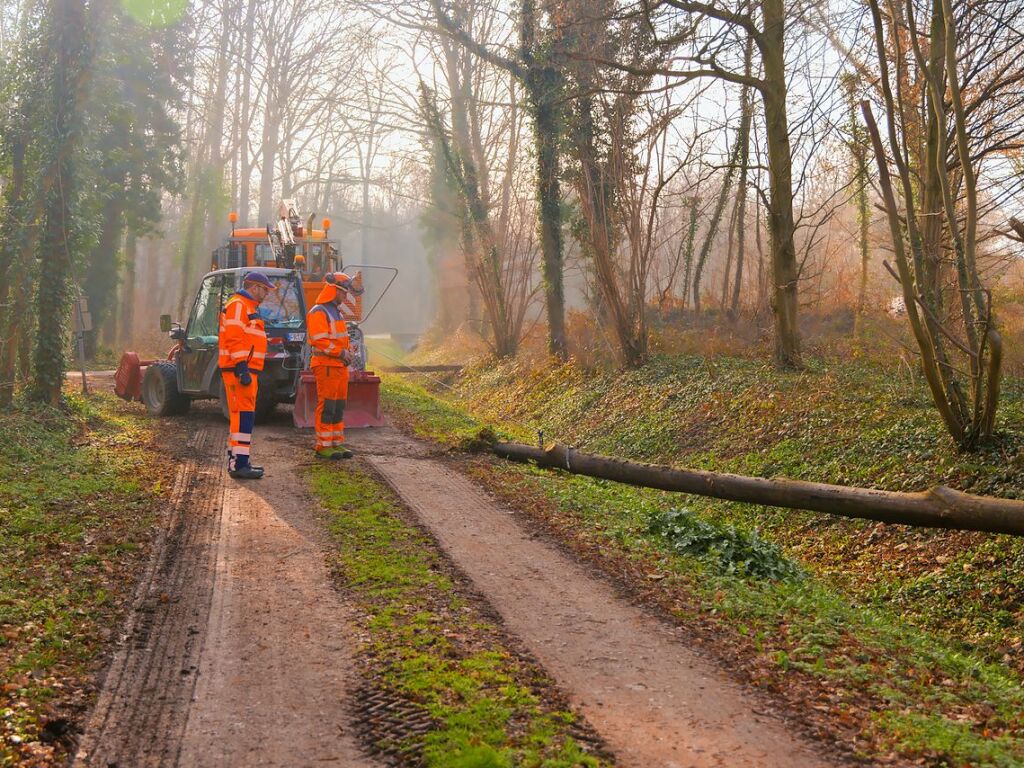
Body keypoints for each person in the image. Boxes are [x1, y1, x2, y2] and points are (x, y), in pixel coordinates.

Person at [218, 271, 276, 479]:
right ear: (255, 287)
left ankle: (239, 460)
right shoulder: (239, 305)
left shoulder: (247, 306)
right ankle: (239, 463)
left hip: (245, 369)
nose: (267, 293)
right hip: (239, 370)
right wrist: (242, 366)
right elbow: (234, 338)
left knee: (242, 415)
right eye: (265, 289)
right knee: (243, 415)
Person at [307, 272, 363, 459]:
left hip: (338, 366)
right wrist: (341, 352)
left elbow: (337, 339)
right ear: (334, 290)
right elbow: (319, 340)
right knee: (328, 404)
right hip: (326, 364)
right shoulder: (318, 312)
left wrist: (348, 349)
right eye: (343, 292)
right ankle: (323, 446)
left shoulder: (335, 312)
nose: (345, 296)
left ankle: (336, 442)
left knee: (339, 405)